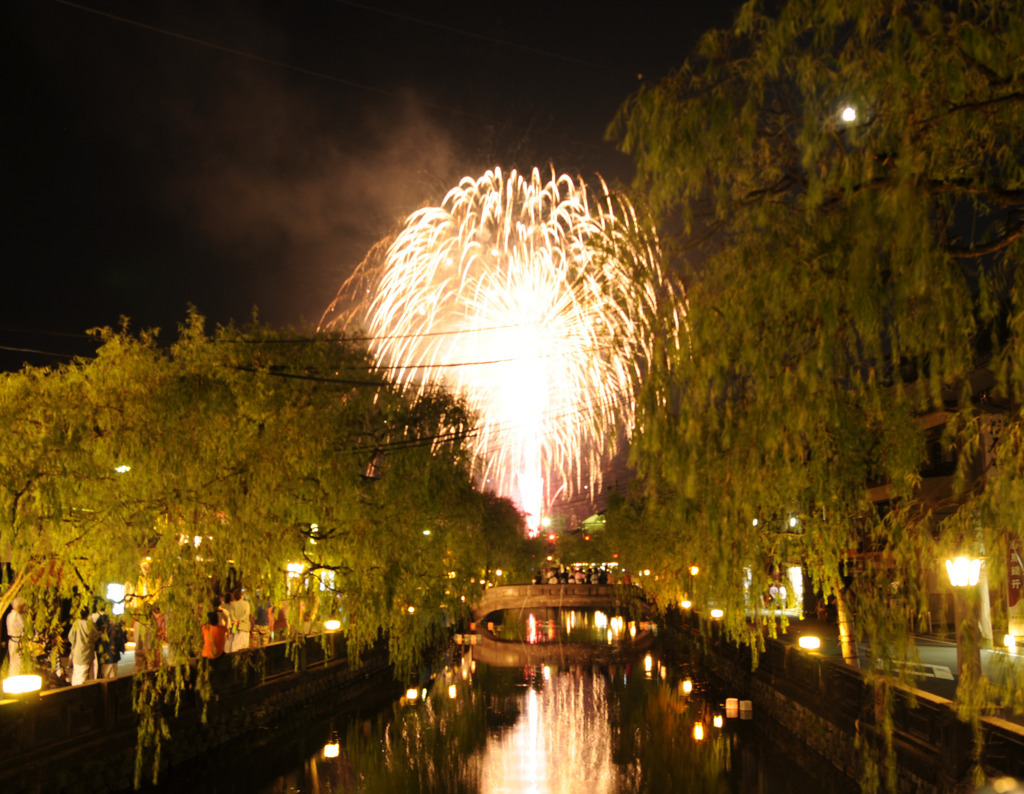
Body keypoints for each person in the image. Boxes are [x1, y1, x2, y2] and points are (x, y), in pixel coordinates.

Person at [68, 607, 100, 685]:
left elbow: (70, 637)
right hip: (86, 655)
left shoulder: (76, 623)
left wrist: (75, 644)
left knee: (76, 675)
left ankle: (74, 690)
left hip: (76, 654)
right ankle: (79, 691)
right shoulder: (89, 624)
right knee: (82, 677)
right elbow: (96, 635)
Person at [95, 614, 126, 679]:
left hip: (104, 654)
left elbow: (96, 635)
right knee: (113, 676)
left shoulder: (101, 620)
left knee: (105, 676)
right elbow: (122, 636)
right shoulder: (116, 620)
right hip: (114, 653)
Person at [5, 597, 27, 678]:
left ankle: (12, 677)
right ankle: (14, 678)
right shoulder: (16, 616)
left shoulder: (9, 615)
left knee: (13, 662)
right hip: (16, 641)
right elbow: (23, 627)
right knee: (17, 662)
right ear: (20, 606)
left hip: (12, 641)